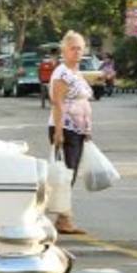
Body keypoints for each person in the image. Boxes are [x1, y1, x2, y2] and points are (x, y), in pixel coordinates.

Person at [49, 31, 93, 235]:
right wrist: (58, 132)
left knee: (70, 174)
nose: (77, 52)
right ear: (64, 50)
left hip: (77, 129)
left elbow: (82, 101)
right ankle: (64, 219)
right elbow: (57, 103)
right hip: (65, 128)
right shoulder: (62, 73)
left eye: (80, 48)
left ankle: (63, 217)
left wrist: (87, 129)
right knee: (66, 175)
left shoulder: (76, 72)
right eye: (73, 48)